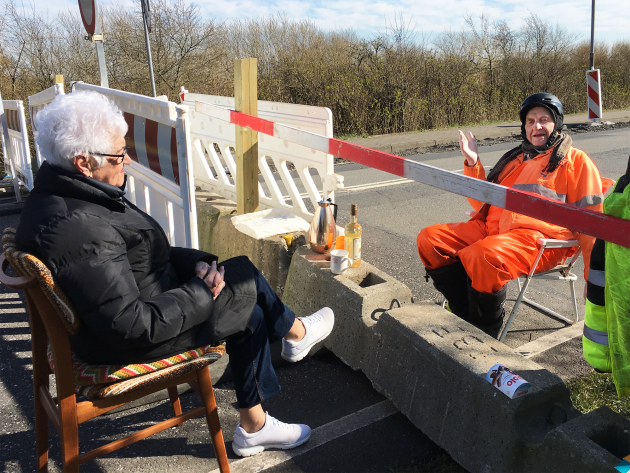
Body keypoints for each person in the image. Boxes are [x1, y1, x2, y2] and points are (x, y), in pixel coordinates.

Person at [15, 91, 335, 458]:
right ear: (83, 161)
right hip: (123, 340)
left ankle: (259, 415)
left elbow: (136, 255)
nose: (129, 161)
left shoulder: (66, 194)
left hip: (133, 306)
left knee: (247, 297)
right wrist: (200, 290)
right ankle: (288, 350)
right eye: (120, 155)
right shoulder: (80, 226)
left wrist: (194, 265)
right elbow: (129, 324)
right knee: (246, 288)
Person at [417, 92, 604, 337]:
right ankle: (464, 313)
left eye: (543, 119)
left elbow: (593, 223)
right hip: (493, 229)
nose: (536, 126)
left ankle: (485, 329)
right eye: (530, 121)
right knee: (430, 239)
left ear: (557, 123)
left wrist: (593, 278)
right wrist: (473, 162)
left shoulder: (575, 161)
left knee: (482, 256)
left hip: (538, 240)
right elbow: (481, 203)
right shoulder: (516, 159)